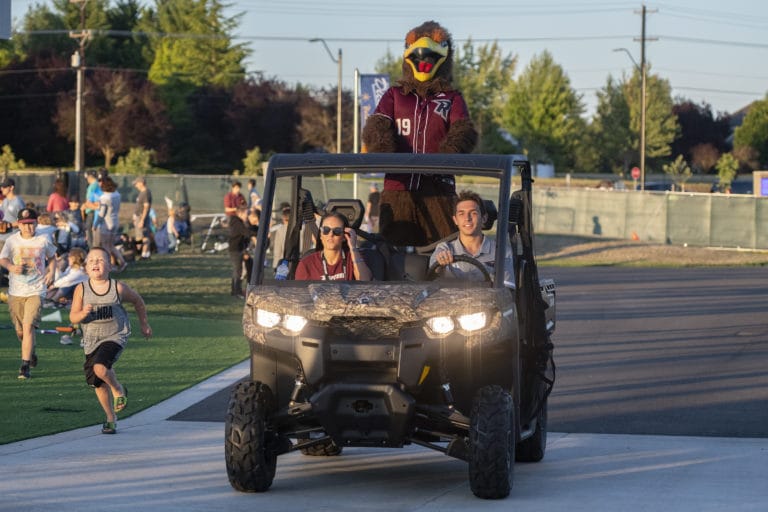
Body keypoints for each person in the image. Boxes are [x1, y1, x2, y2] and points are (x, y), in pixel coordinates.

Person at [69, 246, 152, 435]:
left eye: (100, 260)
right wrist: (83, 313)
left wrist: (144, 325)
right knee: (97, 382)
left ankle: (118, 390)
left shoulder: (118, 288)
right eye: (91, 260)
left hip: (116, 334)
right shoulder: (81, 289)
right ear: (85, 268)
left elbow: (138, 301)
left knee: (100, 368)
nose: (95, 263)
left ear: (109, 266)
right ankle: (110, 417)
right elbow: (73, 317)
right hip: (91, 339)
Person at [0, 208, 57, 379]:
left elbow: (53, 257)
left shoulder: (43, 239)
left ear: (36, 223)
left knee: (28, 325)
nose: (28, 228)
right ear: (18, 224)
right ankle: (30, 352)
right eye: (24, 225)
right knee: (20, 332)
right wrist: (11, 267)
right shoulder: (12, 241)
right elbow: (2, 258)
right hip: (16, 290)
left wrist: (51, 272)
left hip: (36, 289)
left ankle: (24, 366)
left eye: (31, 224)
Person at [429, 190, 515, 285]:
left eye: (473, 213)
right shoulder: (444, 249)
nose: (467, 218)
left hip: (487, 299)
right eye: (461, 214)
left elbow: (505, 293)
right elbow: (431, 280)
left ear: (484, 218)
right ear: (455, 220)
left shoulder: (502, 253)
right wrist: (440, 266)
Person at [295, 212, 372, 281]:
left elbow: (365, 282)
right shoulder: (307, 264)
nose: (331, 234)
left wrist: (353, 248)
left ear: (344, 236)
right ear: (321, 235)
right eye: (326, 230)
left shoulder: (354, 258)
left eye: (337, 231)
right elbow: (300, 295)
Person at [94, 177, 126, 272]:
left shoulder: (104, 197)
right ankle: (123, 262)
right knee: (111, 245)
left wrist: (96, 224)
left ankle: (108, 266)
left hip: (107, 223)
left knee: (105, 246)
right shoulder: (117, 194)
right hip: (115, 221)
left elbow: (102, 212)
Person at [228, 205, 256, 297]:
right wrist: (259, 233)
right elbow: (246, 232)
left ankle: (235, 291)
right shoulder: (237, 223)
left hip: (239, 248)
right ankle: (236, 291)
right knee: (237, 271)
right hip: (235, 249)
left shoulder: (238, 222)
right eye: (246, 213)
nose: (247, 215)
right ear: (240, 213)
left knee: (238, 270)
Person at [81, 169, 104, 249]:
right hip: (93, 211)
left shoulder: (93, 186)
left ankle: (92, 250)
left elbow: (92, 201)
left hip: (92, 211)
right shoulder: (96, 185)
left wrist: (85, 206)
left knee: (90, 232)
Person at [132, 176, 153, 259]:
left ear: (141, 183)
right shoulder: (142, 192)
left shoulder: (145, 193)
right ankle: (146, 254)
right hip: (139, 216)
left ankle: (144, 254)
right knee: (142, 235)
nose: (135, 185)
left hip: (141, 217)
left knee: (143, 236)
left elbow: (146, 207)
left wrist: (142, 220)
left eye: (136, 183)